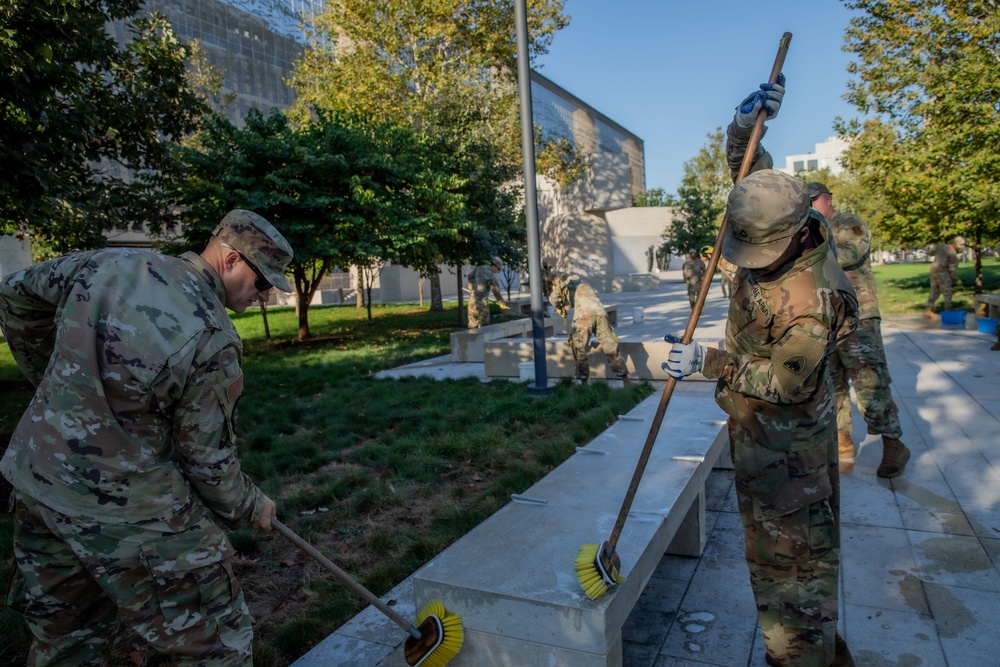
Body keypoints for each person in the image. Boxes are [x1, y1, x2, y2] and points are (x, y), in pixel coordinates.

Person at [0, 210, 293, 665]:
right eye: (262, 283)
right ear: (232, 259)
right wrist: (251, 505)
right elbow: (206, 461)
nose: (266, 295)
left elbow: (14, 294)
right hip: (124, 501)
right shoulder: (213, 336)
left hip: (37, 477)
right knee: (217, 636)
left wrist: (55, 383)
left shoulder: (112, 263)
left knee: (67, 641)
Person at [663, 77, 857, 667]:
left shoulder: (814, 298)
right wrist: (746, 126)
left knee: (792, 574)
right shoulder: (778, 216)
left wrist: (708, 362)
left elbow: (787, 381)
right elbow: (751, 178)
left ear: (797, 235)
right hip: (759, 437)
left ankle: (802, 655)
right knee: (780, 564)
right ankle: (812, 647)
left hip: (789, 449)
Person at [810, 182, 910, 477]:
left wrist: (807, 252)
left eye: (813, 201)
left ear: (827, 199)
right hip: (826, 319)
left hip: (858, 316)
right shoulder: (811, 232)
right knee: (831, 384)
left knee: (870, 382)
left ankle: (893, 444)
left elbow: (848, 256)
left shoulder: (848, 224)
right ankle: (841, 441)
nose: (809, 208)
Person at [548, 274, 628, 383]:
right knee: (611, 347)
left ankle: (583, 382)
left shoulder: (564, 284)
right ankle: (625, 379)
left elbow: (553, 299)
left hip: (583, 317)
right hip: (600, 315)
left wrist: (558, 307)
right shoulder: (585, 285)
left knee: (580, 349)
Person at [924, 236, 964, 316]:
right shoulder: (953, 254)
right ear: (955, 244)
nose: (959, 248)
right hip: (943, 272)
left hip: (933, 270)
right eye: (959, 246)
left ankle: (928, 308)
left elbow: (929, 252)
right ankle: (948, 310)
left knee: (935, 290)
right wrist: (955, 278)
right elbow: (952, 269)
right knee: (947, 291)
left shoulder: (940, 246)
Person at [467, 256, 508, 328]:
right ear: (495, 266)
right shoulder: (492, 276)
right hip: (482, 303)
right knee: (484, 325)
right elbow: (496, 292)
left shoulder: (479, 268)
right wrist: (502, 303)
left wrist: (471, 289)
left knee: (473, 325)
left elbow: (470, 277)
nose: (498, 271)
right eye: (498, 269)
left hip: (472, 301)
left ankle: (473, 338)